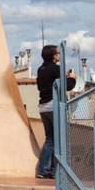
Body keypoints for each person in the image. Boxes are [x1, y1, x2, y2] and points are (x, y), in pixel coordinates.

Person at [35, 45, 78, 179]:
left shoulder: (40, 69)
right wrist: (72, 78)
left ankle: (44, 170)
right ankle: (54, 171)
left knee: (50, 139)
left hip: (43, 107)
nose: (59, 56)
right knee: (59, 139)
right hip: (54, 106)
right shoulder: (55, 68)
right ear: (53, 56)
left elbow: (41, 86)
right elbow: (68, 86)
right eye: (58, 53)